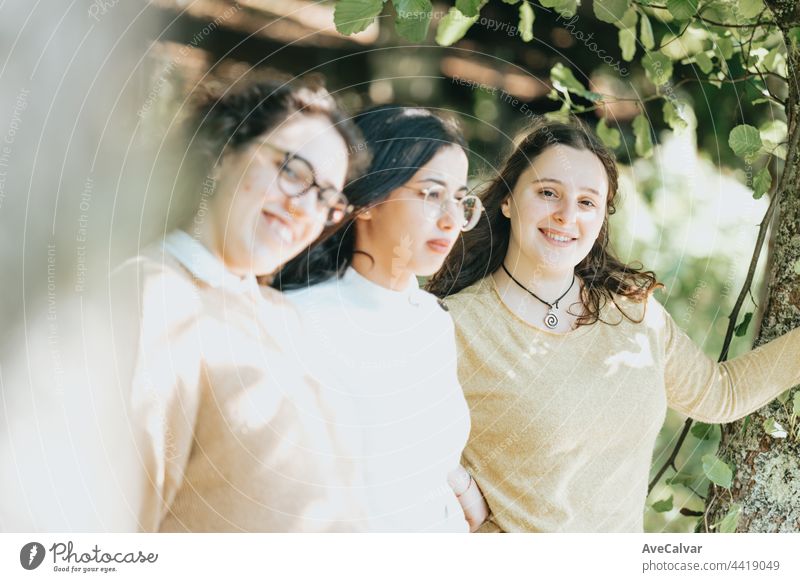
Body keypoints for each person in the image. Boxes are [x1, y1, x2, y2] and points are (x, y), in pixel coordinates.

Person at [426, 116, 800, 533]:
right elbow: (387, 437)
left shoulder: (634, 317)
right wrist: (455, 484)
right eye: (548, 192)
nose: (567, 216)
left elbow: (720, 394)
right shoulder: (452, 326)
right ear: (509, 200)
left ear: (602, 218)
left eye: (587, 202)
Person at [110, 77, 369, 531]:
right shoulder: (154, 298)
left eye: (328, 197)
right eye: (292, 170)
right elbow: (111, 517)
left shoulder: (277, 311)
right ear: (223, 154)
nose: (303, 208)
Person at [276, 105, 489, 531]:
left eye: (461, 200)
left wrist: (464, 491)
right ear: (369, 200)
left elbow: (422, 453)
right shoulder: (296, 320)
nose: (451, 220)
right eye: (431, 194)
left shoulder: (432, 321)